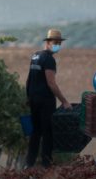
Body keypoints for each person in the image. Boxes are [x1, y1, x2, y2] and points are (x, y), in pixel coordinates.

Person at [24, 28, 72, 168]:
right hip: (45, 101)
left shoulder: (35, 56)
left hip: (33, 99)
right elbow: (51, 83)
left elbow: (28, 80)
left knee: (35, 132)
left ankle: (29, 164)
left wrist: (28, 96)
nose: (58, 45)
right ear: (48, 42)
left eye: (59, 43)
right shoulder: (49, 59)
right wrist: (64, 101)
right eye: (56, 42)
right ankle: (46, 165)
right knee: (48, 133)